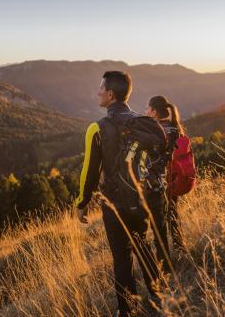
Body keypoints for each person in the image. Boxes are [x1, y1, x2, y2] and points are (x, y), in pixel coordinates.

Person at [74, 71, 161, 317]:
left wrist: (82, 203)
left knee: (122, 259)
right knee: (143, 244)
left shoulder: (98, 128)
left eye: (101, 88)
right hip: (141, 198)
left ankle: (128, 310)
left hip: (114, 205)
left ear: (110, 94)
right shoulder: (143, 122)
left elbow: (90, 171)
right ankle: (158, 298)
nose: (98, 92)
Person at [145, 96, 187, 262]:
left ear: (154, 112)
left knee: (158, 224)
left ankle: (164, 262)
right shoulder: (174, 128)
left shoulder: (154, 131)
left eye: (147, 109)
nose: (145, 111)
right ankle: (180, 248)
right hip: (173, 180)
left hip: (157, 183)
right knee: (173, 216)